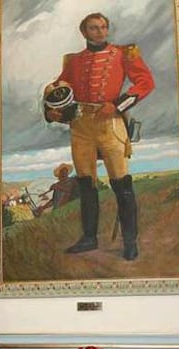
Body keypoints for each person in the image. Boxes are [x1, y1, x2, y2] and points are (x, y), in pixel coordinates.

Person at [43, 12, 155, 260]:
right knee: (86, 184)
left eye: (104, 27)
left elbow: (146, 82)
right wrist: (51, 111)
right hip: (81, 127)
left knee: (121, 184)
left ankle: (130, 241)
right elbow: (57, 90)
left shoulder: (124, 53)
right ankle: (89, 238)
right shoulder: (73, 61)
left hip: (110, 123)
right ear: (84, 32)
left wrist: (117, 105)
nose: (101, 32)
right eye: (94, 28)